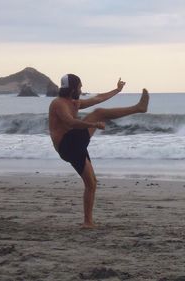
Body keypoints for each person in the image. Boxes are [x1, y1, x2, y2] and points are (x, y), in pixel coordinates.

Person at [49, 74, 149, 228]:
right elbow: (70, 122)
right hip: (67, 145)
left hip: (75, 144)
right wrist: (94, 125)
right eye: (80, 87)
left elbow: (98, 98)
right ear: (73, 88)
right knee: (98, 114)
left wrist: (117, 90)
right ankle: (138, 108)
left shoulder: (73, 102)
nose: (81, 90)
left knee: (92, 183)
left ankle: (88, 222)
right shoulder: (58, 104)